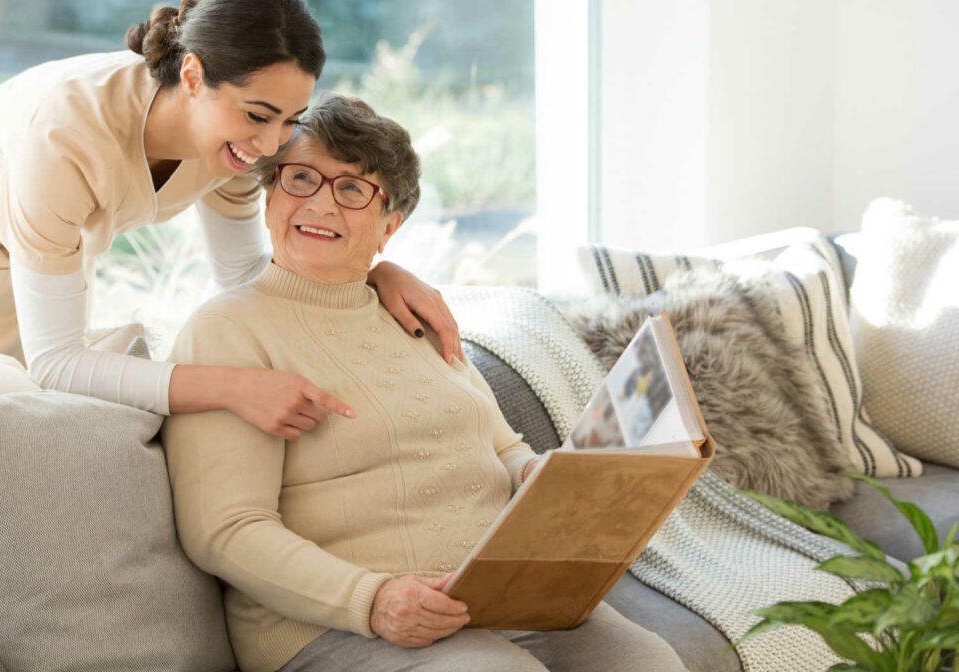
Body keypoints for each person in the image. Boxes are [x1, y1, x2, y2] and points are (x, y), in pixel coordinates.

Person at [161, 93, 687, 672]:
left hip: (503, 598)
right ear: (269, 195)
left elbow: (503, 447)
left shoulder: (413, 312)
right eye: (301, 178)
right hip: (334, 625)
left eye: (353, 189)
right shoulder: (228, 330)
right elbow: (226, 529)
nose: (321, 203)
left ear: (390, 226)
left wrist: (538, 477)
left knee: (650, 662)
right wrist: (374, 600)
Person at [0, 0, 462, 441]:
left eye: (290, 120)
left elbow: (241, 275)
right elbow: (57, 361)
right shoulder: (64, 137)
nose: (272, 144)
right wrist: (237, 388)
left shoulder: (231, 148)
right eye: (258, 115)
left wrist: (370, 274)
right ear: (193, 75)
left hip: (35, 268)